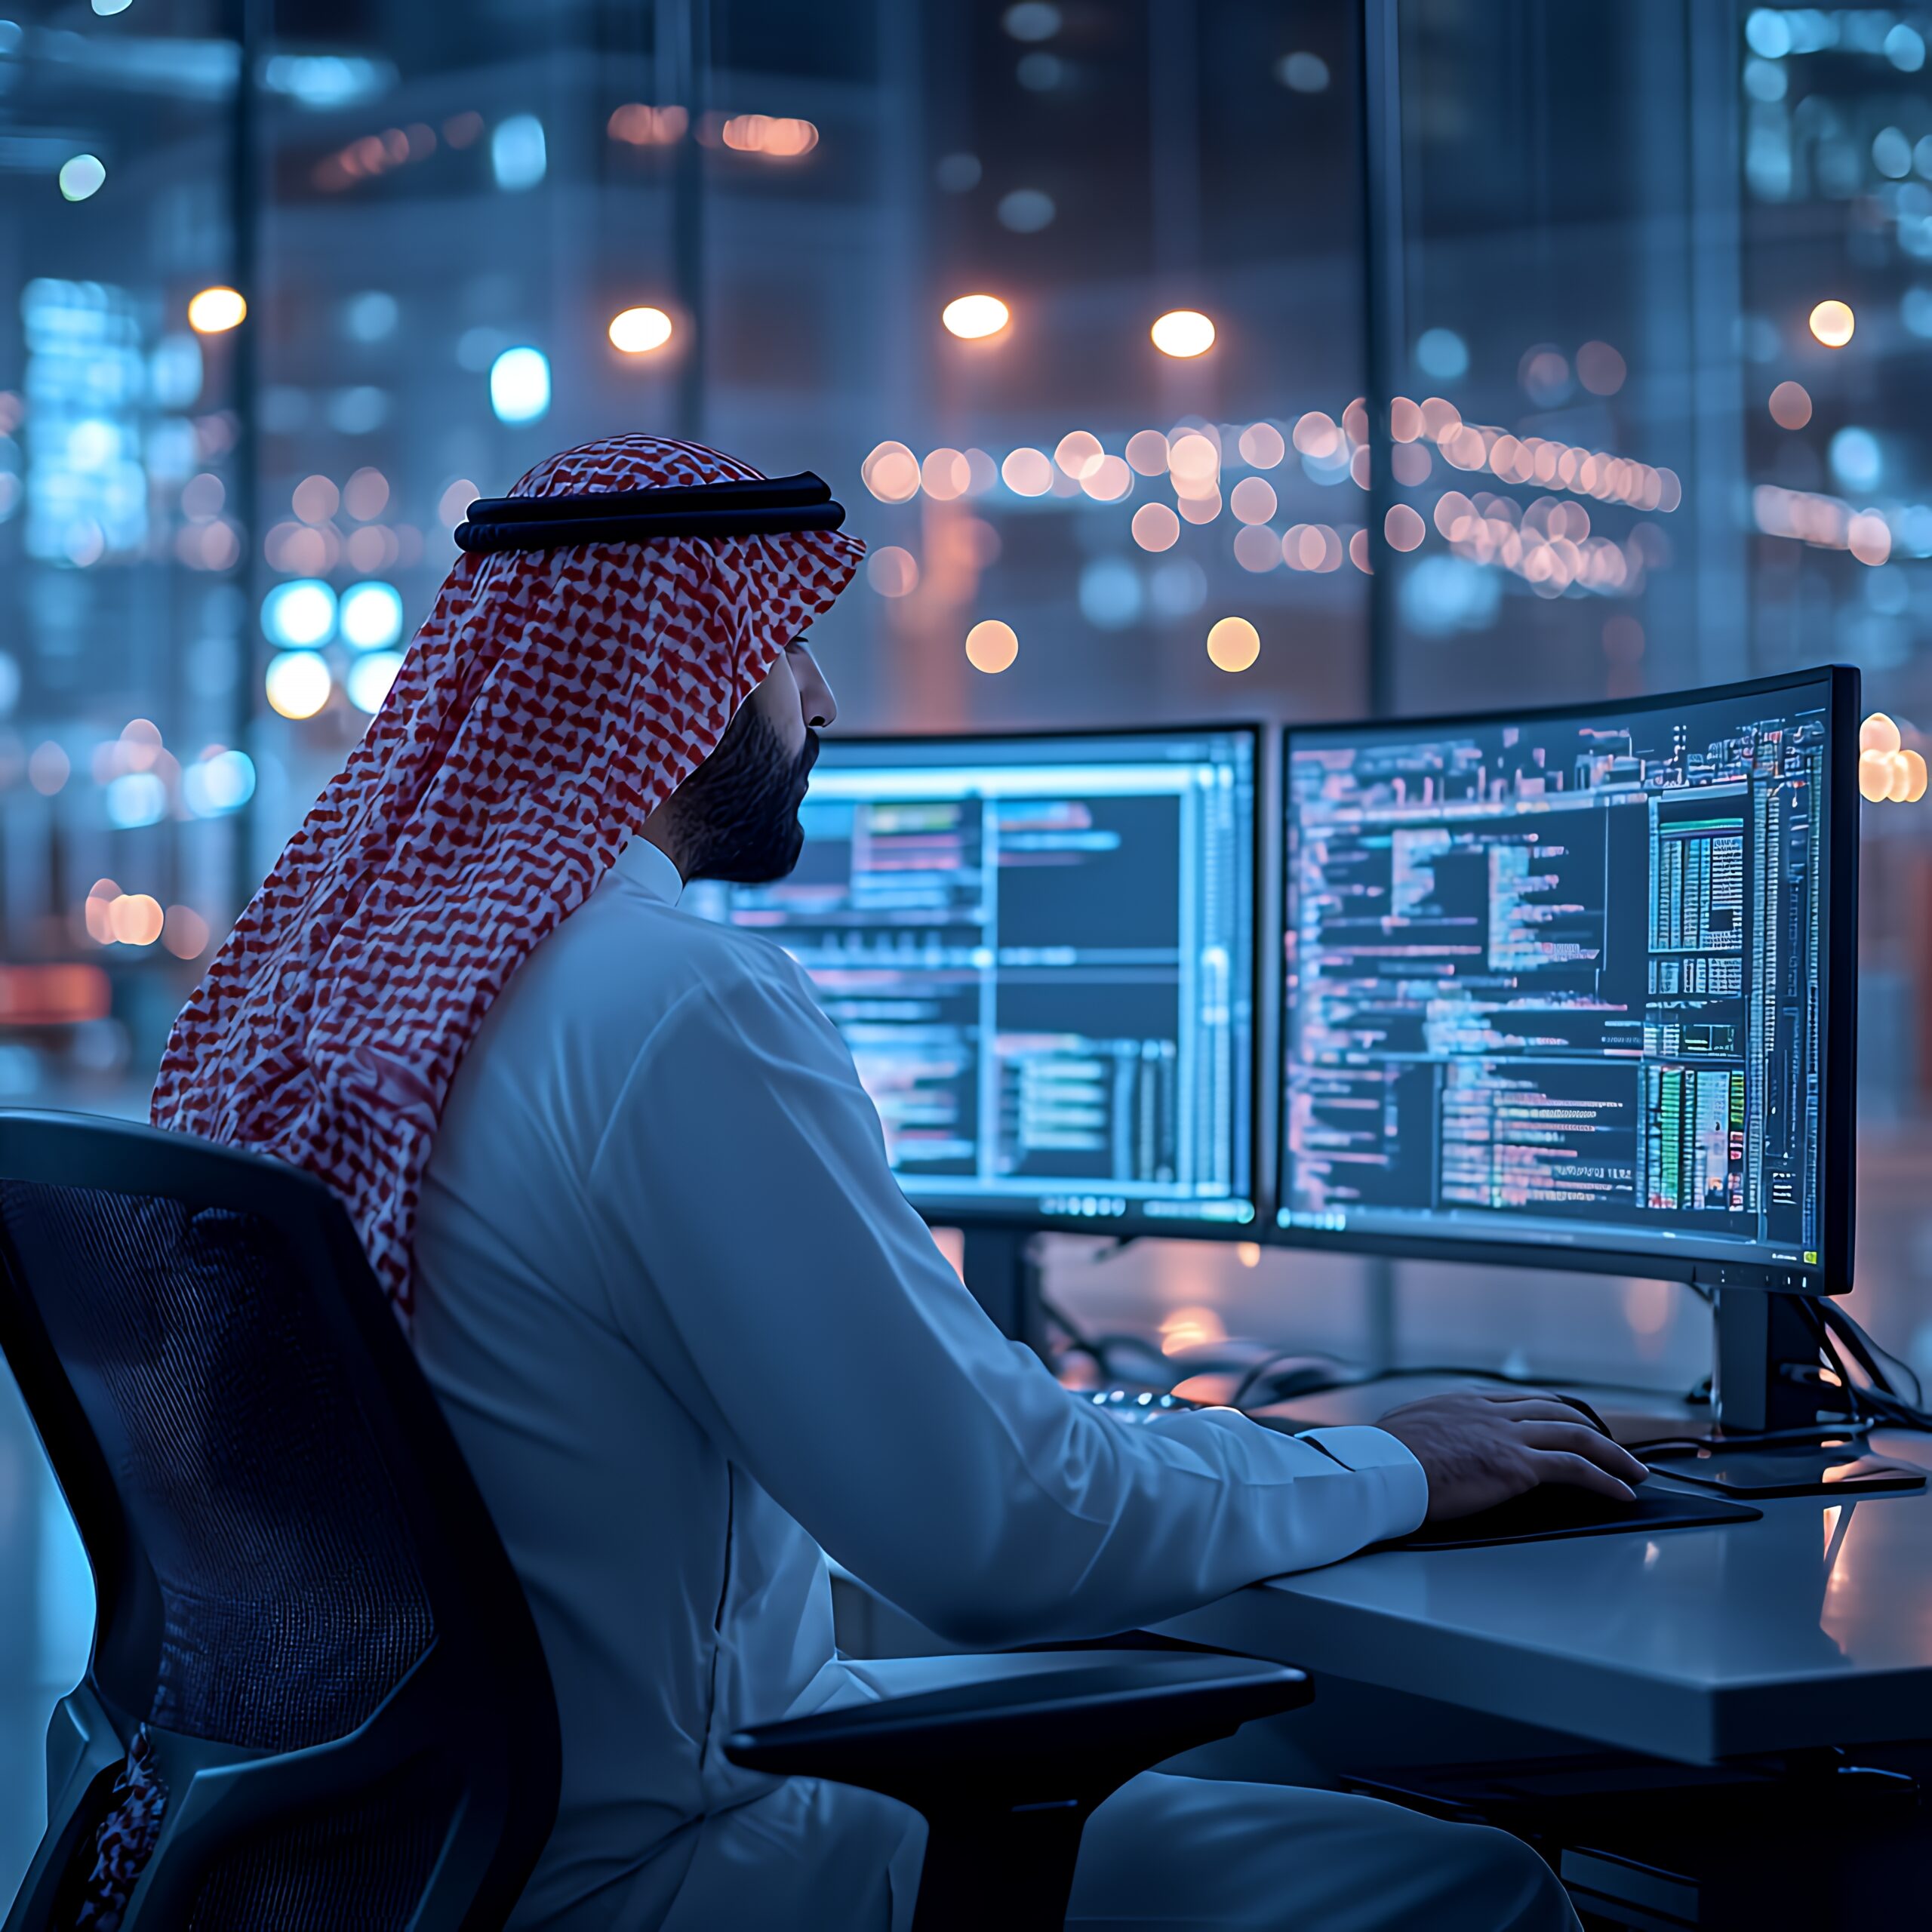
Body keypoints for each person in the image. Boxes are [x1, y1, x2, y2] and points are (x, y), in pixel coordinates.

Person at [155, 435, 1641, 1930]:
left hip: (367, 1862)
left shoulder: (338, 992)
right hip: (648, 1869)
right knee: (1470, 1880)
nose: (819, 698)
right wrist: (1396, 1459)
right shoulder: (668, 998)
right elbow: (994, 1524)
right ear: (670, 672)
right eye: (785, 641)